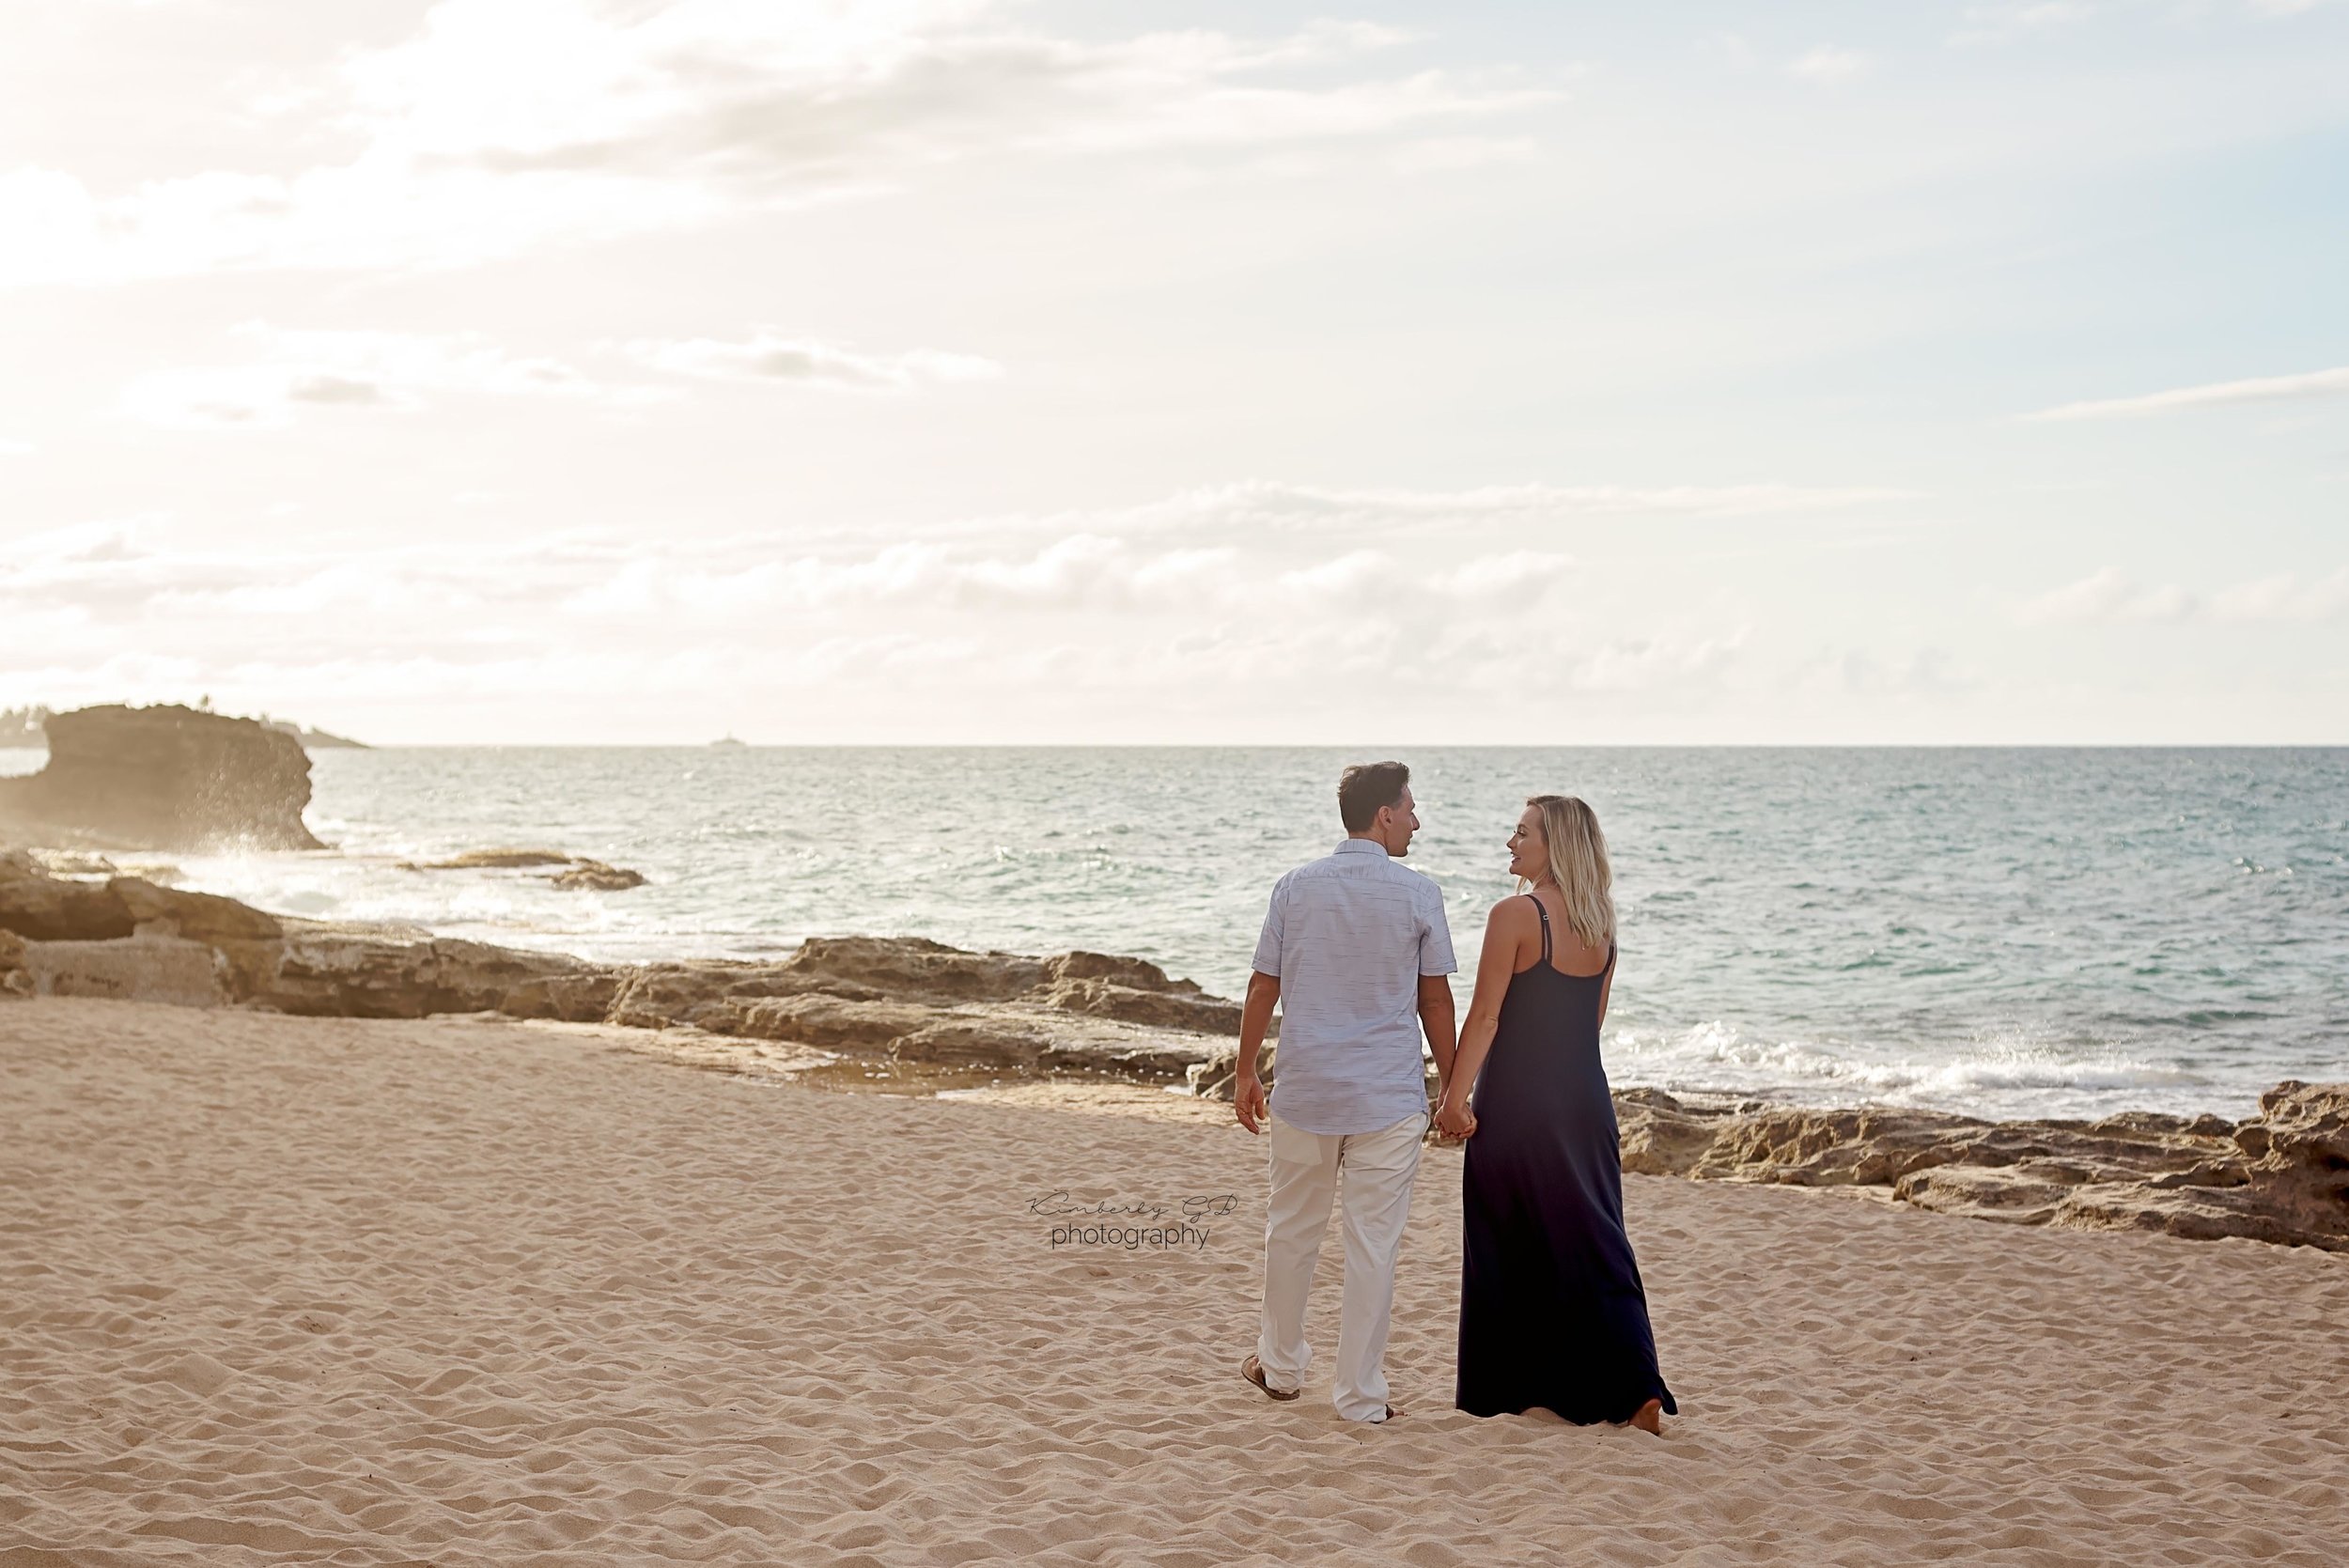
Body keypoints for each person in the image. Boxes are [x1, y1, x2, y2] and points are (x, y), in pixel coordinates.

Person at [1436, 794, 1676, 1433]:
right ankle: (1632, 1390)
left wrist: (1453, 1098)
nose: (1510, 844)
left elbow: (1485, 1017)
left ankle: (1508, 1391)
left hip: (1518, 1102)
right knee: (1596, 1241)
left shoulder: (1515, 914)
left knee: (1507, 1237)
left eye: (1521, 833)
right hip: (1584, 1101)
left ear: (1554, 845)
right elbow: (1588, 1027)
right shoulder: (1602, 925)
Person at [1234, 761, 1459, 1424]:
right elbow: (1436, 1001)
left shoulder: (1295, 887)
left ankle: (1278, 1367)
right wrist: (1453, 1088)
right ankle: (1360, 1397)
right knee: (1372, 1246)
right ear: (1384, 814)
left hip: (1305, 1091)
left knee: (1291, 1232)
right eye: (1410, 808)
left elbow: (1261, 986)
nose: (1417, 819)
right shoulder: (1420, 894)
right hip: (1387, 1100)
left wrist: (1245, 1070)